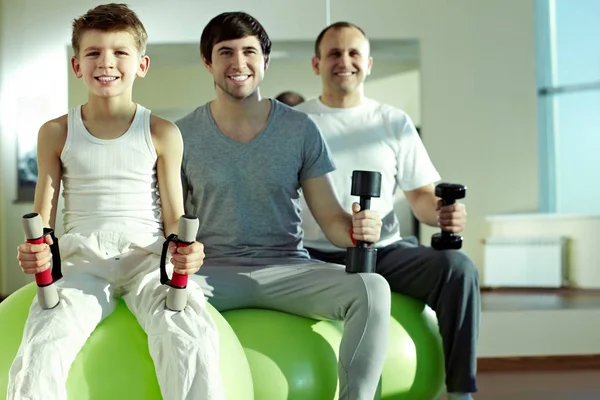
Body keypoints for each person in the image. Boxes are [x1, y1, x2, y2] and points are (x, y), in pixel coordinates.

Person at [10, 4, 224, 399]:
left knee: (187, 335)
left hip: (147, 258)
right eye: (93, 53)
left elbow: (174, 216)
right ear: (77, 65)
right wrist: (33, 249)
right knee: (44, 343)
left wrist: (188, 249)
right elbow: (42, 215)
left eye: (119, 52)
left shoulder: (162, 132)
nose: (106, 62)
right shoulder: (56, 131)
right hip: (82, 261)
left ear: (141, 64)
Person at [174, 11, 391, 400]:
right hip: (213, 273)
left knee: (372, 288)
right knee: (159, 297)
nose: (238, 64)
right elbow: (172, 220)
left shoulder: (300, 129)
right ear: (208, 61)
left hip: (287, 268)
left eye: (249, 52)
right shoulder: (183, 135)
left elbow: (332, 220)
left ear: (265, 61)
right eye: (226, 52)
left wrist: (359, 227)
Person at [294, 22, 481, 400]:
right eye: (333, 53)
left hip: (386, 252)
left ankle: (461, 392)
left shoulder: (392, 122)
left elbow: (422, 197)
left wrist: (442, 214)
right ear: (316, 64)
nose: (344, 61)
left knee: (458, 270)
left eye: (353, 54)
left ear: (369, 63)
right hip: (313, 254)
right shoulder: (295, 122)